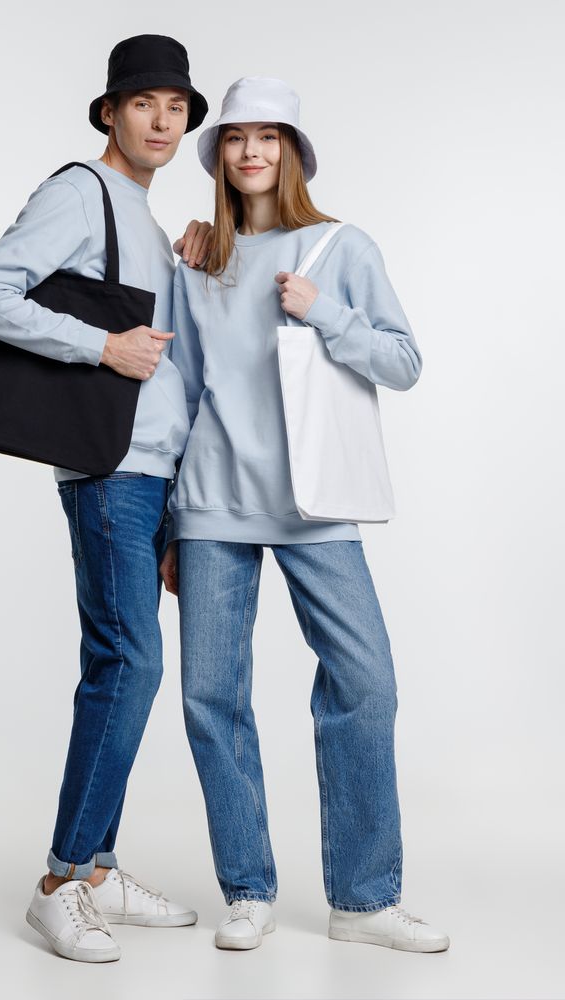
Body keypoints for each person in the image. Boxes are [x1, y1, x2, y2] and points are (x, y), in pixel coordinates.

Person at [160, 76, 450, 954]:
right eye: (235, 137)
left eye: (269, 136)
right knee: (212, 697)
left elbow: (402, 362)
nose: (251, 151)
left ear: (292, 151)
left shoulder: (339, 247)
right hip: (212, 503)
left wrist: (324, 313)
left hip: (315, 502)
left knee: (366, 685)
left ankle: (363, 901)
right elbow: (179, 391)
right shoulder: (198, 259)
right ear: (219, 155)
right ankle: (247, 890)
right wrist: (169, 521)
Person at [0, 35, 212, 964]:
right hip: (109, 473)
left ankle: (96, 870)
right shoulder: (80, 191)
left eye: (177, 108)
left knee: (124, 664)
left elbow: (171, 371)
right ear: (110, 112)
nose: (161, 122)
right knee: (128, 664)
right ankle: (62, 882)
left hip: (152, 478)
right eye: (144, 103)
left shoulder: (144, 216)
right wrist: (101, 346)